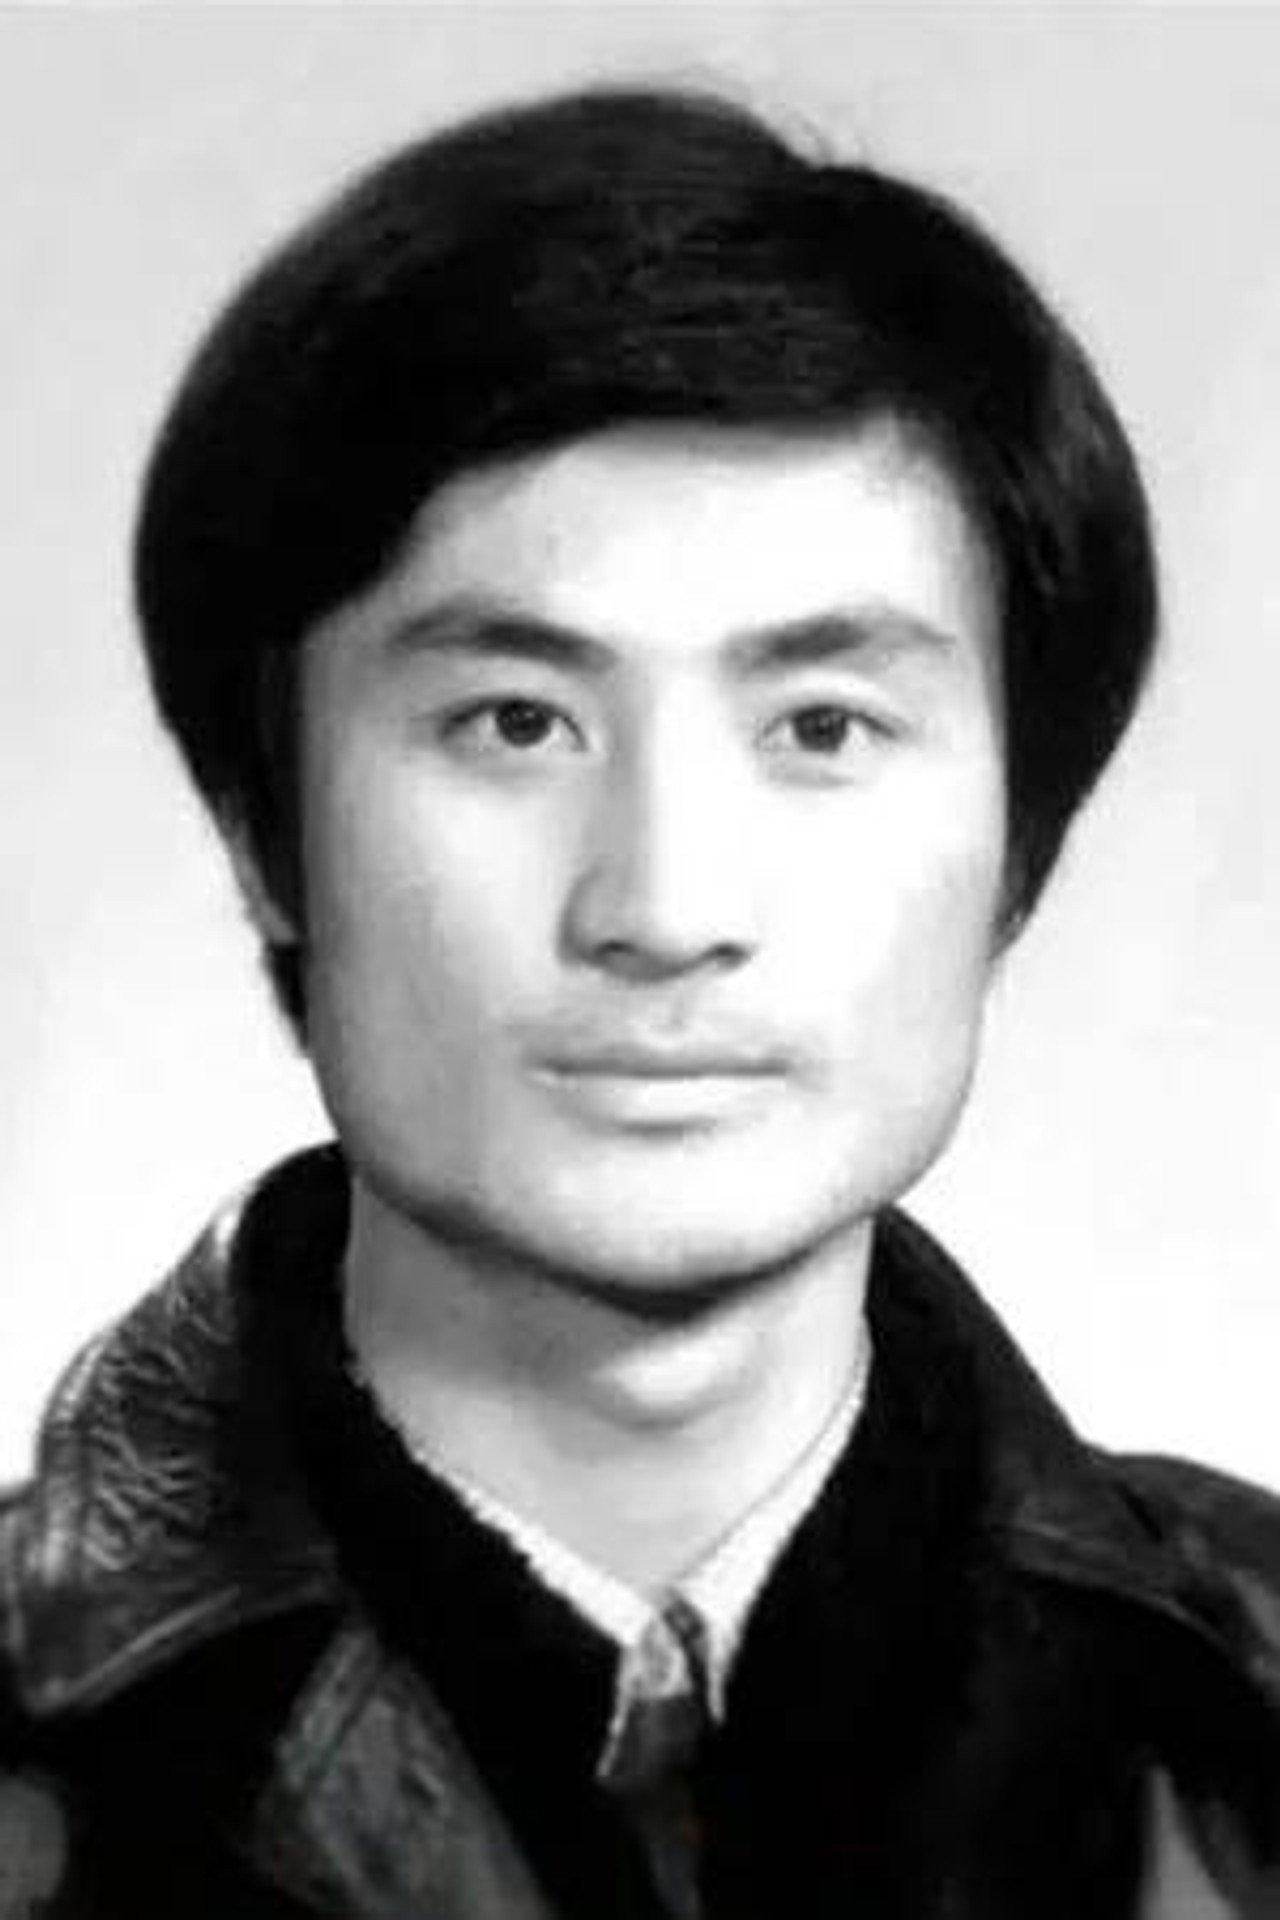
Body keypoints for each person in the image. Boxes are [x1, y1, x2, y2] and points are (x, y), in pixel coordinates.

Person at [1, 81, 1277, 1920]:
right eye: (515, 723)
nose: (664, 912)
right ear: (266, 836)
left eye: (821, 727)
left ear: (1020, 850)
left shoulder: (1245, 1703)